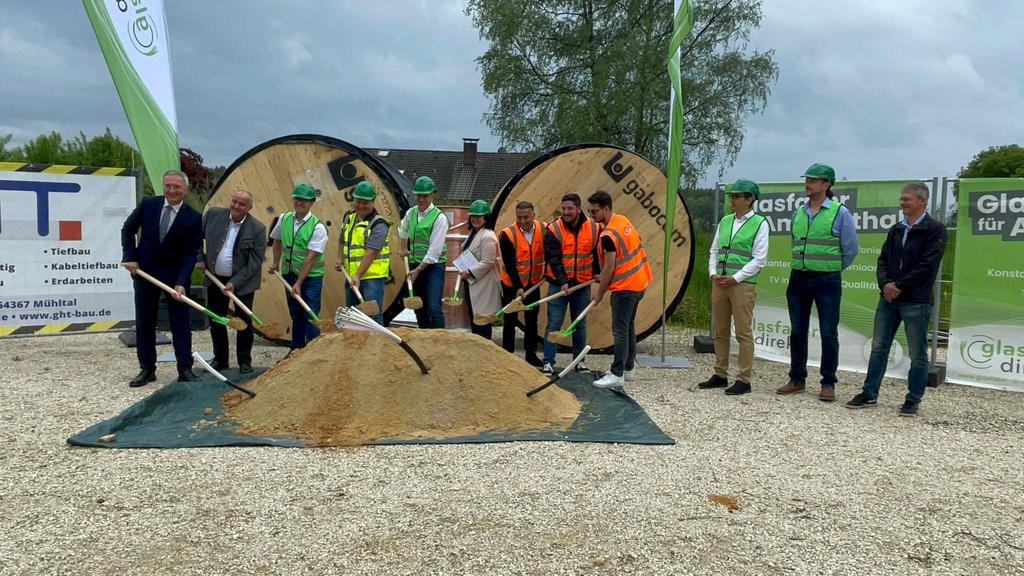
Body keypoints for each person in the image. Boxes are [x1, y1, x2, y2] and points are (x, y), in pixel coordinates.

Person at [846, 181, 947, 416]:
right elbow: (883, 259)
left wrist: (899, 285)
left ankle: (913, 399)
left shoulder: (935, 229)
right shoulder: (896, 229)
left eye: (907, 199)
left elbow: (928, 264)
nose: (902, 203)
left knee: (917, 353)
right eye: (901, 198)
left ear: (922, 201)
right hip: (888, 300)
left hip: (916, 300)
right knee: (878, 347)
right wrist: (885, 285)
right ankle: (869, 393)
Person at [777, 163, 860, 402]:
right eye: (807, 180)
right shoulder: (798, 213)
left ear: (826, 184)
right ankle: (796, 379)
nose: (808, 184)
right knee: (797, 331)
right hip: (798, 278)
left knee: (828, 333)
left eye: (813, 180)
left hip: (827, 281)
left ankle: (828, 383)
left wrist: (830, 268)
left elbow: (851, 249)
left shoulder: (840, 213)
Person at [121, 169, 203, 387]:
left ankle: (185, 368)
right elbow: (127, 230)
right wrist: (130, 257)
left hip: (175, 278)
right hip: (145, 274)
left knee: (180, 324)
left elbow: (190, 254)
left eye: (177, 187)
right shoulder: (148, 204)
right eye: (168, 186)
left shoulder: (193, 218)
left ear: (185, 189)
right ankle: (147, 369)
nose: (172, 190)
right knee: (145, 321)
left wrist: (181, 282)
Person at [698, 179, 769, 395]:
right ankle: (720, 373)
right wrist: (713, 272)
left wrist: (735, 278)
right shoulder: (725, 221)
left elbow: (759, 259)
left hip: (742, 284)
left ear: (750, 199)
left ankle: (744, 379)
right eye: (732, 196)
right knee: (720, 330)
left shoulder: (760, 223)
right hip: (720, 282)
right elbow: (714, 250)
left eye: (737, 196)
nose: (733, 200)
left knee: (743, 332)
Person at [588, 191, 653, 388]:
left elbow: (609, 268)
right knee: (628, 327)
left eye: (594, 211)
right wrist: (604, 276)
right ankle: (628, 369)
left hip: (625, 288)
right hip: (639, 281)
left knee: (620, 331)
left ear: (606, 208)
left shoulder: (608, 235)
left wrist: (599, 293)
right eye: (590, 211)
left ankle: (617, 374)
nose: (591, 215)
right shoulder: (622, 220)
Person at [197, 189, 266, 374]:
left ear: (249, 207)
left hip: (243, 283)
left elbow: (255, 261)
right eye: (234, 201)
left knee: (244, 322)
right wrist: (199, 258)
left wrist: (235, 282)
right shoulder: (213, 215)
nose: (236, 206)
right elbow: (196, 237)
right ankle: (221, 359)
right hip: (215, 278)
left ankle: (244, 361)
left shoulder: (257, 228)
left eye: (242, 204)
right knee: (217, 319)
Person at [541, 193, 599, 376]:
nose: (565, 212)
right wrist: (563, 281)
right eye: (564, 208)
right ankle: (548, 362)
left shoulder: (594, 228)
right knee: (554, 324)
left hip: (582, 285)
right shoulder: (554, 229)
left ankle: (579, 361)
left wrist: (597, 272)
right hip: (558, 286)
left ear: (578, 209)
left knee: (579, 325)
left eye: (570, 209)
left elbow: (597, 253)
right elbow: (553, 258)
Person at [268, 182, 327, 350]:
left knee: (310, 314)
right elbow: (277, 241)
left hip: (310, 278)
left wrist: (299, 283)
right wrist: (275, 263)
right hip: (289, 274)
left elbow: (310, 258)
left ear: (311, 202)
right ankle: (296, 351)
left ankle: (312, 352)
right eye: (297, 199)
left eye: (304, 200)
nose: (300, 202)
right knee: (295, 314)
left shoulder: (318, 227)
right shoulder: (284, 219)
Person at [335, 181, 390, 325]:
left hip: (372, 278)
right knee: (352, 315)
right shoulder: (349, 217)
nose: (361, 206)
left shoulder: (379, 224)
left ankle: (376, 340)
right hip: (352, 275)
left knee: (373, 316)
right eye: (358, 202)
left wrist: (358, 275)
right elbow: (341, 239)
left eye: (366, 203)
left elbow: (371, 253)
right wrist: (340, 258)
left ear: (373, 202)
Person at [498, 201, 545, 367]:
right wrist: (518, 287)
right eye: (519, 217)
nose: (523, 221)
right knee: (510, 319)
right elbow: (510, 264)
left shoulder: (543, 229)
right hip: (511, 285)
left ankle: (531, 355)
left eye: (526, 217)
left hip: (533, 283)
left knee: (531, 320)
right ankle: (507, 355)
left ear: (533, 215)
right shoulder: (507, 234)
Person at [399, 176, 448, 329]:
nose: (421, 199)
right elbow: (403, 229)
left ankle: (440, 338)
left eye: (425, 196)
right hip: (415, 265)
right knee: (420, 308)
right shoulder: (411, 213)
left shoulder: (439, 218)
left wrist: (418, 270)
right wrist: (403, 248)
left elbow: (434, 251)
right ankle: (424, 337)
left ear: (433, 194)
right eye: (419, 195)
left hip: (433, 268)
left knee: (434, 308)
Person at [459, 199, 501, 341]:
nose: (475, 219)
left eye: (479, 216)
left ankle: (484, 347)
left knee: (482, 320)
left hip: (484, 285)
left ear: (486, 218)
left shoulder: (488, 236)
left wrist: (469, 272)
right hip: (472, 282)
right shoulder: (474, 233)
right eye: (473, 216)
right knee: (475, 319)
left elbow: (488, 262)